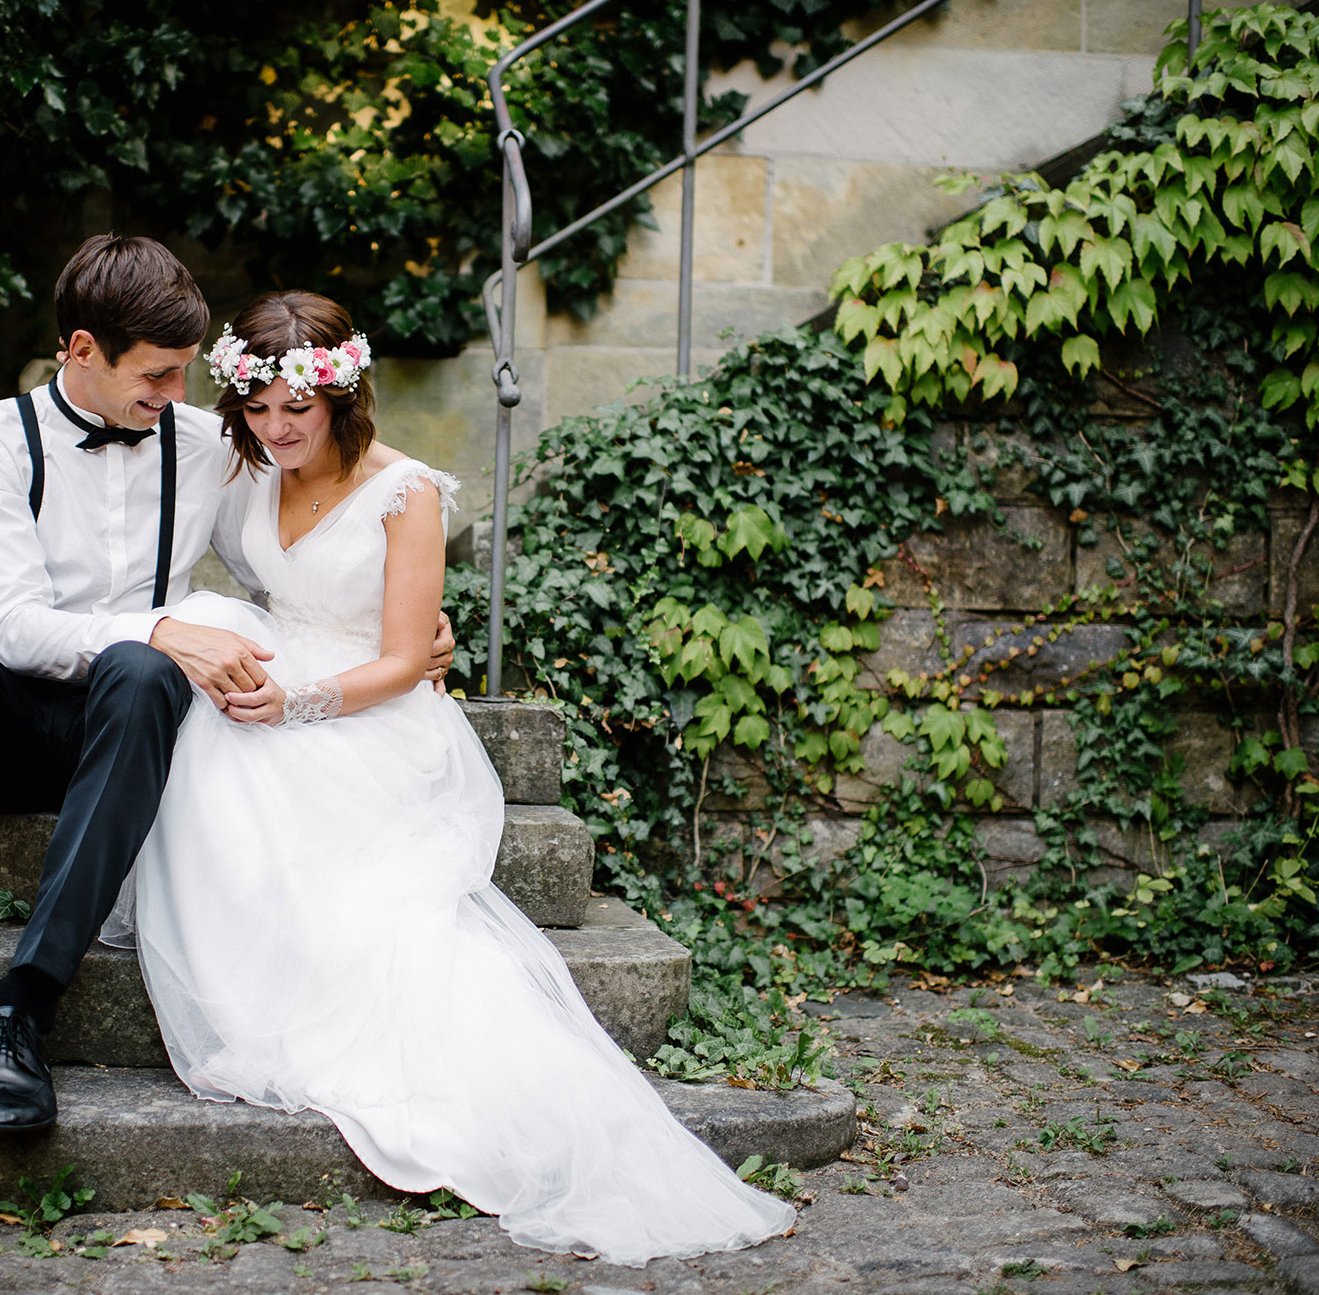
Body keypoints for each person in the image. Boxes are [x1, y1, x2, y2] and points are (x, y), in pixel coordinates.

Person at [99, 290, 797, 1266]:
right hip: (278, 672)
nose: (273, 429)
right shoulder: (245, 469)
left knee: (346, 871)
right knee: (212, 753)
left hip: (369, 714)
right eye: (255, 410)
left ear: (343, 398)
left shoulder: (405, 493)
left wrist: (307, 698)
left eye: (292, 411)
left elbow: (397, 663)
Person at [0, 236, 456, 1131]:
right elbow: (11, 624)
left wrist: (407, 614)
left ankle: (23, 1009)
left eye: (186, 374)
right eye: (158, 376)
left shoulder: (207, 444)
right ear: (82, 352)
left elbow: (321, 503)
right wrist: (161, 625)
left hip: (136, 733)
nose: (178, 397)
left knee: (144, 671)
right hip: (17, 729)